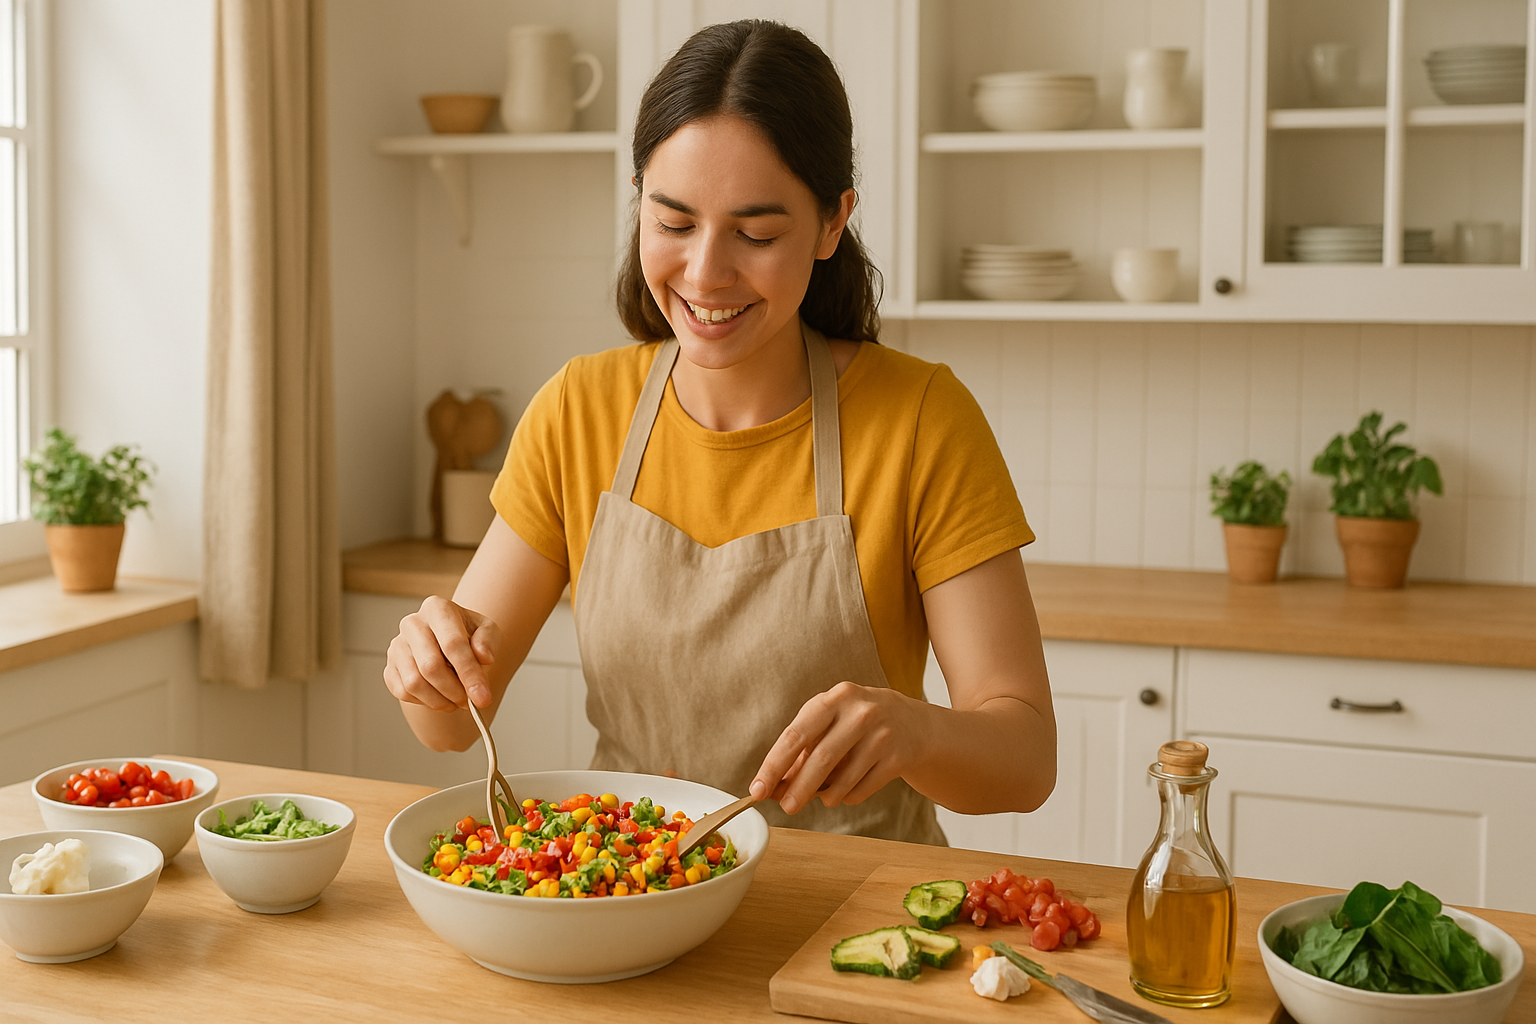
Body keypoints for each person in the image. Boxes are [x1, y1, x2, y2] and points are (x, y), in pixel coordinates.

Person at [383, 20, 1055, 843]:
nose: (705, 273)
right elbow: (452, 726)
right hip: (632, 895)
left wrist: (917, 730)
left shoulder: (920, 419)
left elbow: (1026, 759)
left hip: (847, 924)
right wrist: (430, 673)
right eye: (673, 223)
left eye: (757, 234)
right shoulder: (579, 409)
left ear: (832, 222)